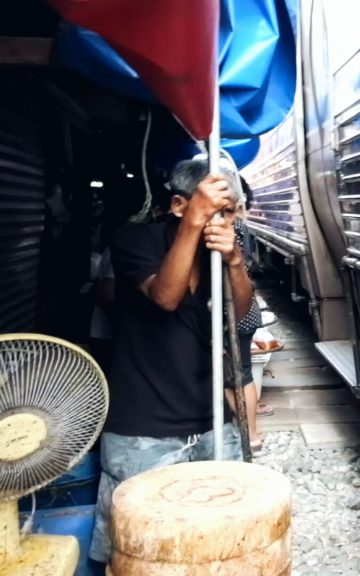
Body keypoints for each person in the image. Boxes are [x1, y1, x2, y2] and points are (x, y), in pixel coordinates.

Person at [88, 159, 254, 566]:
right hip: (143, 430)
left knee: (220, 543)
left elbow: (241, 314)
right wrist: (192, 227)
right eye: (215, 210)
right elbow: (165, 297)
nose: (226, 221)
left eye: (230, 212)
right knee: (141, 552)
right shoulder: (134, 240)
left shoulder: (227, 247)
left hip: (213, 420)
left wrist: (233, 262)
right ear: (180, 205)